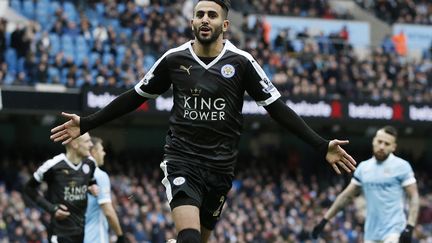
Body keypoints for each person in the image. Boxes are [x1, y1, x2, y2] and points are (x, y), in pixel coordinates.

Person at [50, 1, 357, 242]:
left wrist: (320, 144)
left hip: (221, 167)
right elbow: (135, 96)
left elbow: (276, 108)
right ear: (192, 21)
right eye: (199, 14)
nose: (204, 19)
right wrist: (87, 122)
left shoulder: (242, 62)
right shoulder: (174, 59)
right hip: (182, 159)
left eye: (211, 15)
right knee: (190, 237)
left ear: (224, 24)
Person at [311, 126, 420, 243]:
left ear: (394, 147)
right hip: (371, 234)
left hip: (394, 232)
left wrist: (410, 226)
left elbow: (413, 197)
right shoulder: (363, 168)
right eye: (380, 142)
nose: (382, 146)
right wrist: (325, 220)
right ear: (373, 141)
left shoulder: (402, 166)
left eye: (387, 144)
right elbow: (346, 196)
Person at [24, 133, 98, 243]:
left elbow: (91, 182)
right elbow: (28, 188)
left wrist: (93, 188)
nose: (91, 144)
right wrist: (51, 208)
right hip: (59, 234)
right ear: (74, 144)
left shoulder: (90, 163)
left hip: (80, 232)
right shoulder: (53, 166)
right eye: (87, 141)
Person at [84, 136, 125, 243]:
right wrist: (120, 236)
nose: (104, 153)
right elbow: (108, 211)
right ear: (93, 152)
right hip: (95, 237)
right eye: (102, 150)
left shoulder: (78, 173)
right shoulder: (99, 175)